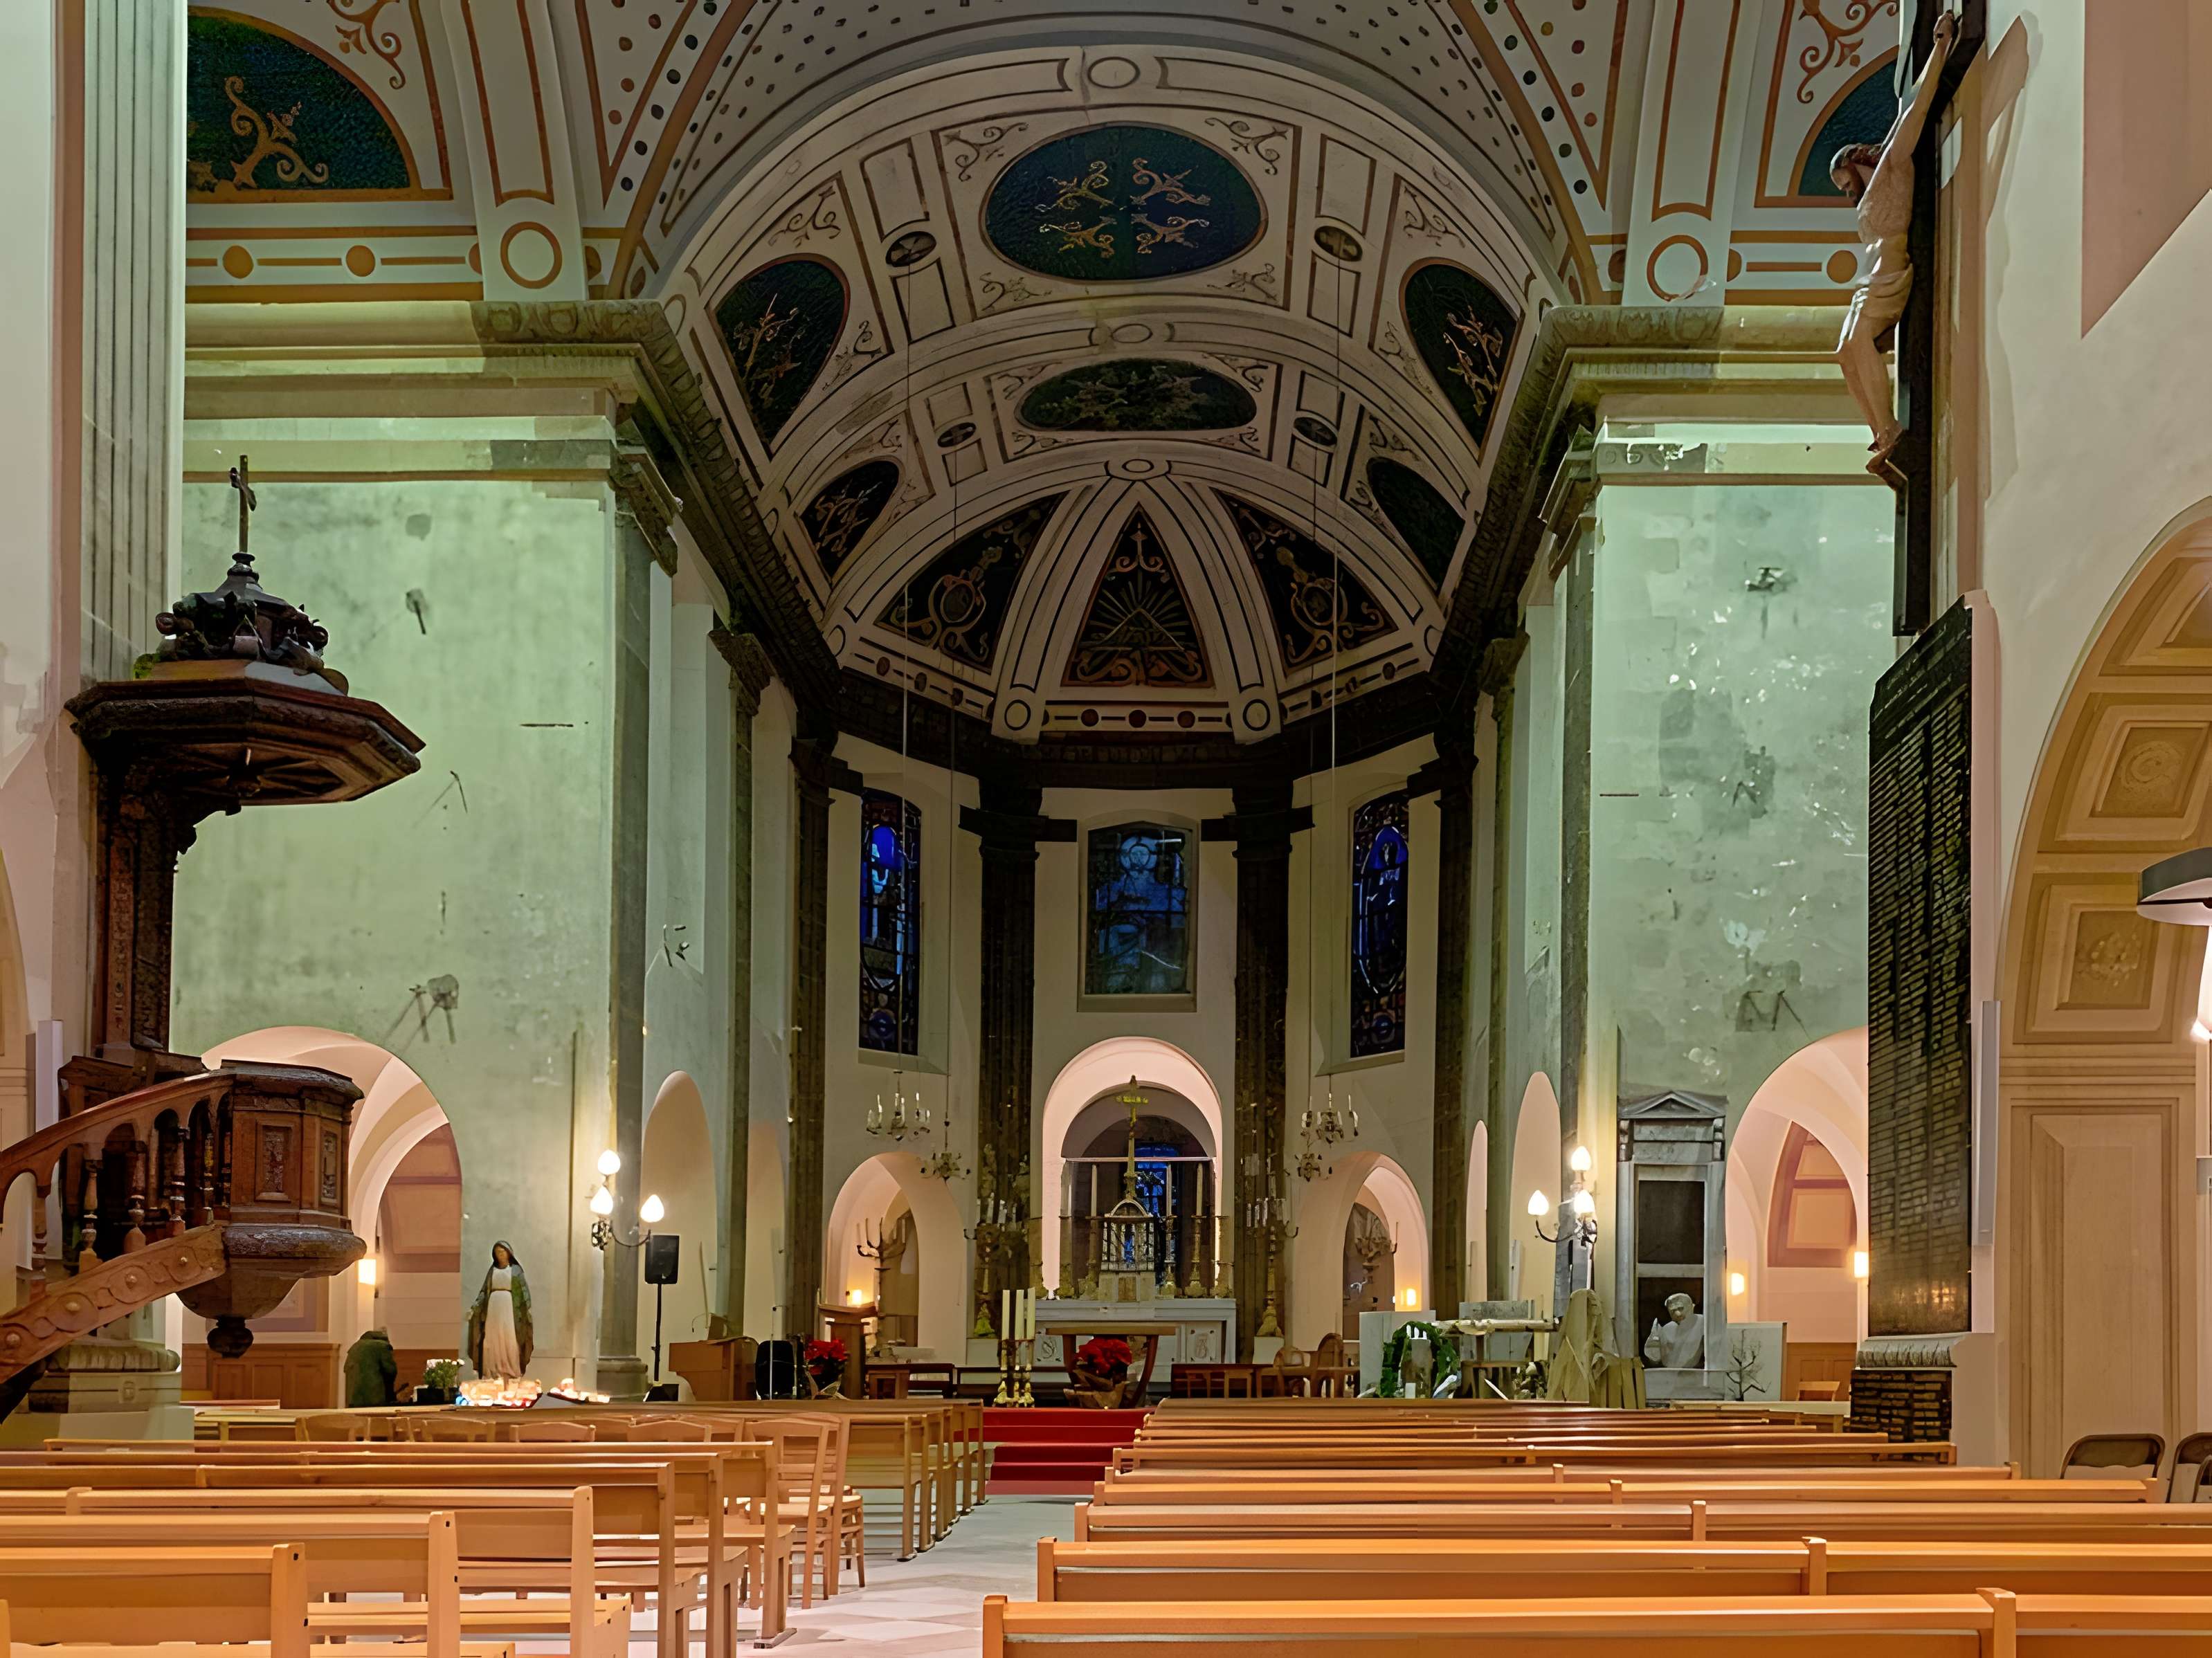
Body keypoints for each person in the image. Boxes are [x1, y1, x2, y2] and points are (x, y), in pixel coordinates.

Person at [1831, 9, 1959, 476]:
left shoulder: (1893, 166)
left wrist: (1942, 47)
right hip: (1868, 283)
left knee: (1859, 343)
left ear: (1859, 163)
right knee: (1843, 349)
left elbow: (1916, 109)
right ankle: (1877, 432)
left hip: (1888, 276)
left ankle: (1890, 431)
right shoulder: (1872, 190)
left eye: (1846, 181)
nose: (1848, 192)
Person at [465, 1240, 533, 1379]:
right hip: (493, 1307)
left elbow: (524, 1291)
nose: (500, 1255)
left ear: (509, 1254)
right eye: (497, 1253)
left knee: (509, 1336)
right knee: (492, 1337)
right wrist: (475, 1307)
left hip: (510, 1307)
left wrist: (527, 1308)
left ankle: (511, 1369)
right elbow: (484, 1291)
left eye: (502, 1252)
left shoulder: (516, 1271)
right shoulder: (492, 1271)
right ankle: (492, 1370)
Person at [1642, 1291, 1705, 1369]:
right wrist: (1653, 1347)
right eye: (1673, 1311)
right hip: (1671, 1376)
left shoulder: (1705, 1324)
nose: (1677, 1314)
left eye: (1681, 1308)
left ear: (1692, 1307)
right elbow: (1655, 1360)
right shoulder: (1667, 1329)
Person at [343, 1326, 398, 1407]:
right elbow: (391, 1371)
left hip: (353, 1398)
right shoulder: (382, 1345)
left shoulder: (354, 1347)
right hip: (374, 1397)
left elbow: (346, 1369)